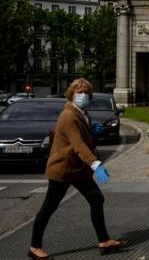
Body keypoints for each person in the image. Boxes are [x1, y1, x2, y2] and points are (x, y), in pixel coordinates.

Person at [28, 78, 125, 260]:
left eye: (86, 92)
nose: (83, 95)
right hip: (63, 170)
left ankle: (104, 241)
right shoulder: (69, 115)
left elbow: (83, 139)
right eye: (79, 92)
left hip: (77, 169)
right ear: (71, 94)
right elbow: (78, 144)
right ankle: (34, 247)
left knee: (96, 198)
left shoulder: (81, 112)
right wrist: (96, 164)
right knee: (49, 207)